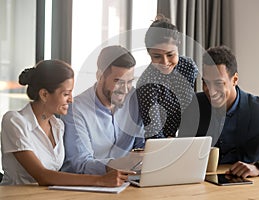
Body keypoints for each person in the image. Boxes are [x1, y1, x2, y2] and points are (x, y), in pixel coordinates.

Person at [0, 60, 134, 186]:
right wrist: (101, 180)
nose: (71, 100)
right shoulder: (15, 121)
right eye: (66, 94)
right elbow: (43, 176)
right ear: (44, 94)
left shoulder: (58, 126)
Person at [196, 45, 259, 177]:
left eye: (218, 83)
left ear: (234, 80)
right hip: (205, 186)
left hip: (255, 187)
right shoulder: (194, 106)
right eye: (206, 83)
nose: (210, 91)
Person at [61, 45, 144, 175]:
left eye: (129, 82)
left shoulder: (135, 100)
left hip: (128, 182)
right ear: (100, 75)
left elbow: (141, 145)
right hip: (87, 187)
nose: (125, 89)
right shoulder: (76, 110)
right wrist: (123, 164)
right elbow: (80, 164)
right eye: (118, 81)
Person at [136, 15, 198, 138]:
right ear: (149, 53)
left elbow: (192, 107)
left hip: (185, 136)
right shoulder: (146, 84)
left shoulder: (188, 67)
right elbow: (154, 132)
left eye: (170, 54)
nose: (165, 62)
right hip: (155, 143)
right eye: (157, 56)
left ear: (178, 46)